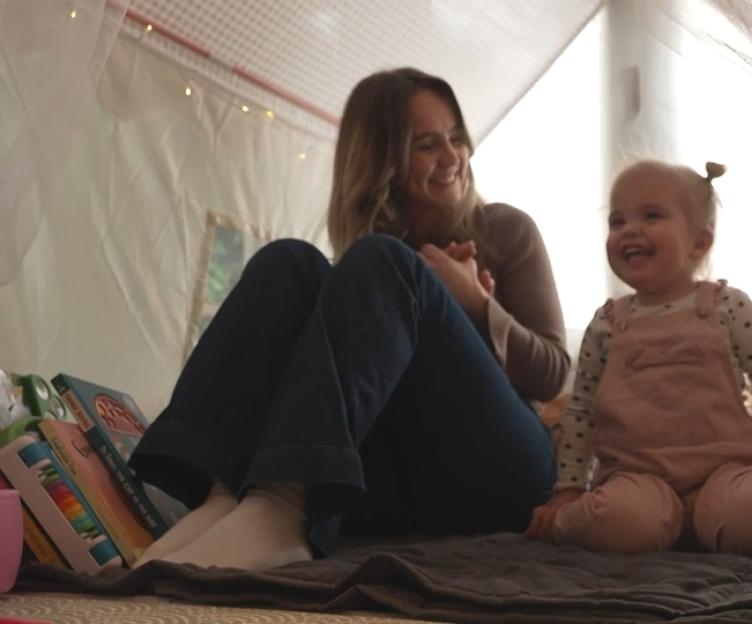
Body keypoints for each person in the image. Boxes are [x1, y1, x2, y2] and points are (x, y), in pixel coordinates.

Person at [129, 68, 570, 570]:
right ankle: (223, 494)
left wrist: (476, 304)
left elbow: (554, 372)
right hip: (397, 486)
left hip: (504, 475)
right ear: (385, 160)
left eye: (456, 138)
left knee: (384, 261)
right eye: (427, 144)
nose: (453, 157)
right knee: (288, 262)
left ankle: (282, 508)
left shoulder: (505, 230)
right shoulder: (365, 267)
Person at [525, 160, 752, 555]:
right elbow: (581, 413)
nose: (630, 230)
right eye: (617, 222)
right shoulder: (605, 324)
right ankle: (567, 525)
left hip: (725, 477)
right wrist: (568, 490)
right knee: (624, 522)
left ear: (699, 242)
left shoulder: (730, 307)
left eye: (651, 216)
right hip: (636, 481)